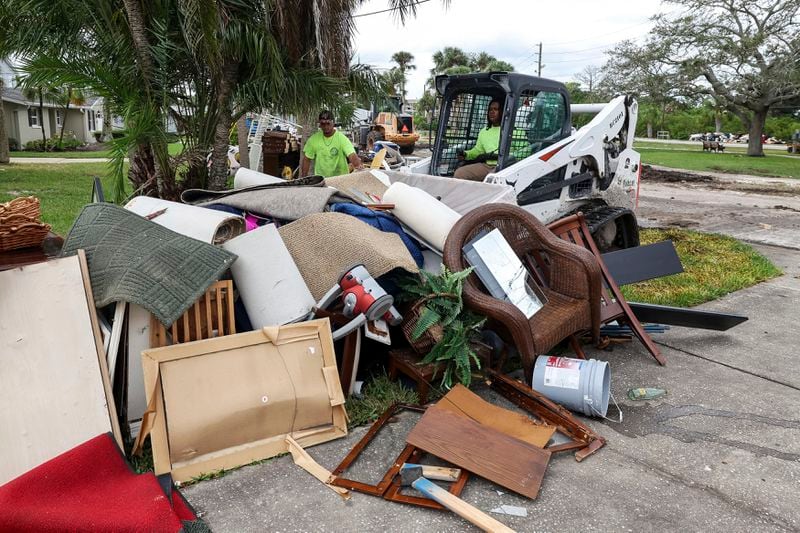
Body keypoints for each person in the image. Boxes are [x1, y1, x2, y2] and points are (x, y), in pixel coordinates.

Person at [301, 110, 363, 177]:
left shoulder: (341, 138)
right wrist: (304, 177)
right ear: (320, 125)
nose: (325, 126)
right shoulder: (313, 139)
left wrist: (358, 167)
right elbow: (306, 159)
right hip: (322, 180)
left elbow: (351, 154)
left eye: (328, 123)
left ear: (333, 123)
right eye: (323, 124)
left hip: (340, 179)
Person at [454, 99, 502, 181]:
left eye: (495, 109)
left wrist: (503, 156)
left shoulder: (513, 130)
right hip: (487, 166)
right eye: (490, 109)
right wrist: (466, 154)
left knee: (492, 179)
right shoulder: (484, 132)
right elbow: (477, 151)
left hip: (505, 167)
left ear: (502, 112)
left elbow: (525, 151)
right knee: (459, 173)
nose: (492, 112)